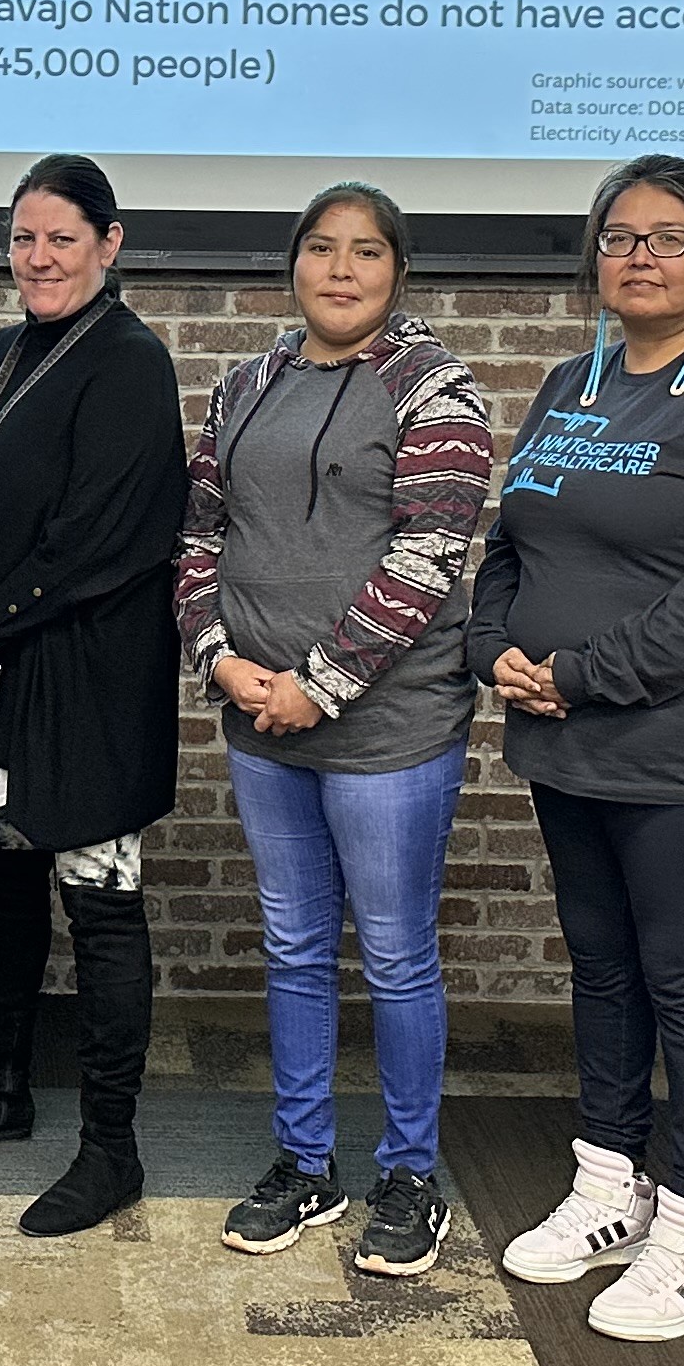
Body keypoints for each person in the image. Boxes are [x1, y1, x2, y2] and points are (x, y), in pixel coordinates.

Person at [473, 153, 684, 1342]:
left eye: (669, 240)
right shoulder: (573, 379)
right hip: (567, 748)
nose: (640, 257)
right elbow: (511, 538)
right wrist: (493, 648)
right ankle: (612, 1183)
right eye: (620, 237)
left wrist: (581, 674)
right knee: (603, 971)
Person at [173, 181, 491, 1280]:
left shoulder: (435, 391)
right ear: (294, 263)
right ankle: (305, 1164)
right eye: (321, 249)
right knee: (297, 950)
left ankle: (411, 1177)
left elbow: (427, 559)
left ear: (397, 271)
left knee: (397, 957)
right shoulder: (245, 383)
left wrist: (320, 681)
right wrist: (219, 658)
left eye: (364, 253)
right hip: (260, 720)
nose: (340, 271)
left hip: (386, 732)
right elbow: (199, 533)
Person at [0, 154, 191, 1239]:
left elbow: (100, 541)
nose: (40, 257)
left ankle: (112, 1149)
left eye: (62, 237)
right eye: (24, 238)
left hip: (83, 686)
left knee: (100, 901)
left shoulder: (129, 362)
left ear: (110, 245)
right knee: (3, 874)